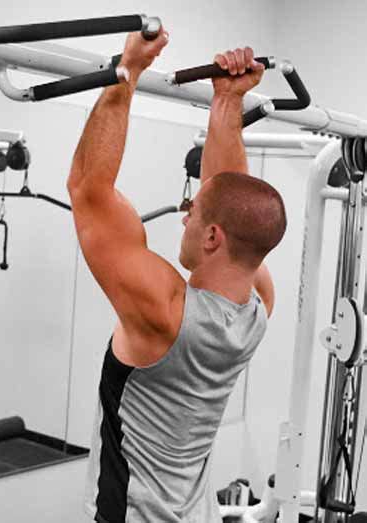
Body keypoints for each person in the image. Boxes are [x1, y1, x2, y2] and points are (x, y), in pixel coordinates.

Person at [67, 26, 286, 523]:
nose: (184, 217)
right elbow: (226, 190)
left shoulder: (164, 313)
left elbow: (88, 190)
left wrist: (127, 71)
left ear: (212, 238)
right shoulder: (257, 309)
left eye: (193, 213)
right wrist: (227, 101)